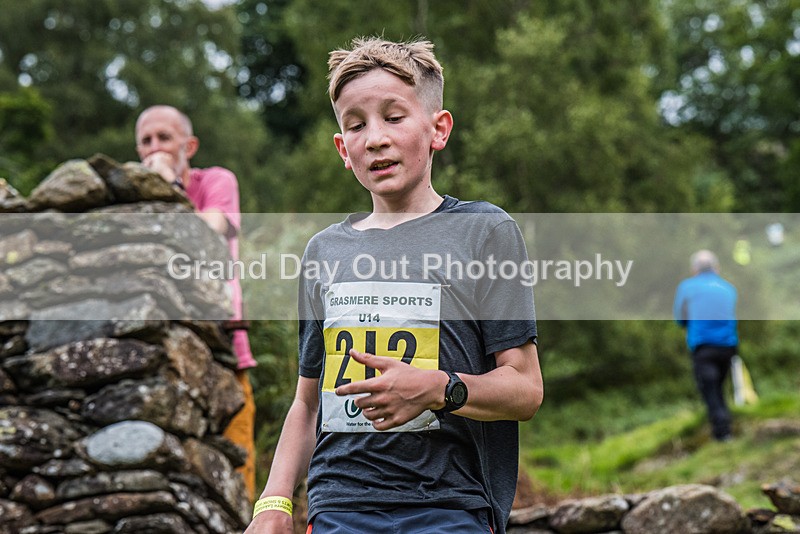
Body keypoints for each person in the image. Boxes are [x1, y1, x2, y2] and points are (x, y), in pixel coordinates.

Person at [245, 37, 544, 534]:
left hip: (451, 504)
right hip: (338, 504)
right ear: (343, 149)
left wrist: (436, 388)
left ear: (438, 129)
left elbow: (526, 389)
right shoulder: (323, 251)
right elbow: (308, 401)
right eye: (356, 125)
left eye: (394, 117)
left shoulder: (485, 231)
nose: (375, 139)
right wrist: (274, 503)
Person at [135, 105, 258, 497]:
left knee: (237, 465)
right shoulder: (132, 194)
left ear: (189, 145)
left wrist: (169, 187)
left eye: (164, 138)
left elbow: (209, 235)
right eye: (146, 140)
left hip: (225, 348)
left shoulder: (217, 181)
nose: (155, 148)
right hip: (155, 352)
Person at [673, 249, 738, 442]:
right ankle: (725, 422)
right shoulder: (728, 288)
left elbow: (680, 318)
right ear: (716, 268)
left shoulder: (687, 287)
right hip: (728, 345)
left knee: (710, 389)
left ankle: (722, 433)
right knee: (719, 386)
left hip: (703, 346)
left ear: (695, 269)